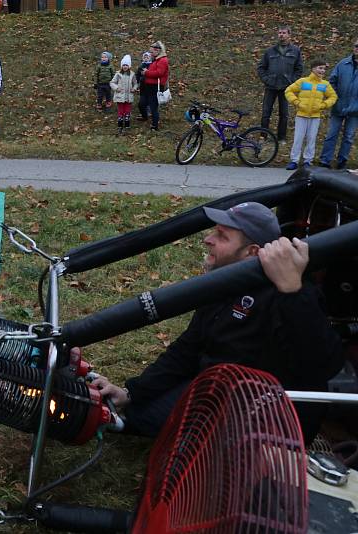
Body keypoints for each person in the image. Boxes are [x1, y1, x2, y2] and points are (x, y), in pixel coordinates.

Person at [90, 202, 343, 444]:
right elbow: (188, 348)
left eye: (222, 236)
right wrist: (131, 393)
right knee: (134, 410)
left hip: (257, 415)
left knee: (138, 421)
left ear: (252, 252)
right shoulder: (223, 284)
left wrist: (293, 291)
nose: (208, 239)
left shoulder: (290, 295)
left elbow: (323, 364)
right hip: (211, 388)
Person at [284, 59, 337, 170]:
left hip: (315, 117)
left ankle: (308, 161)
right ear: (313, 69)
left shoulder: (325, 84)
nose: (322, 71)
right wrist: (297, 102)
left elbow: (333, 97)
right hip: (301, 116)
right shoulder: (303, 81)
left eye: (323, 69)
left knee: (311, 139)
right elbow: (288, 91)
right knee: (298, 138)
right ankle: (294, 161)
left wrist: (323, 105)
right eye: (320, 68)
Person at [257, 25, 304, 143]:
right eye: (279, 33)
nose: (281, 35)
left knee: (284, 114)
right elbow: (261, 67)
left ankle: (281, 138)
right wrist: (266, 79)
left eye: (284, 33)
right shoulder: (270, 51)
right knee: (266, 113)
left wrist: (292, 82)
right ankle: (263, 136)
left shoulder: (295, 51)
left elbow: (299, 69)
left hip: (286, 87)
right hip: (270, 86)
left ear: (289, 35)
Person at [318, 39, 358, 170]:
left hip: (355, 110)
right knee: (331, 134)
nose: (357, 48)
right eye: (356, 46)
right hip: (338, 106)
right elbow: (332, 81)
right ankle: (325, 161)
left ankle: (342, 162)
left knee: (348, 137)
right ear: (353, 48)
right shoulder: (342, 64)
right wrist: (334, 96)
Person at [139, 41, 169, 131]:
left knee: (153, 107)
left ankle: (154, 125)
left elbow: (159, 73)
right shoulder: (155, 59)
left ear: (157, 51)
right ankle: (144, 116)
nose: (150, 54)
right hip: (147, 86)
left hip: (155, 87)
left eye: (152, 52)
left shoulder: (163, 60)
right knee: (141, 104)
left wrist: (146, 72)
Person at [110, 54, 136, 134]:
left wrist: (134, 88)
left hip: (128, 96)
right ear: (121, 66)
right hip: (120, 95)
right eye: (123, 65)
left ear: (129, 66)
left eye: (126, 65)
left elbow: (135, 83)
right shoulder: (118, 74)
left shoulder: (132, 74)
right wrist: (116, 88)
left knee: (127, 110)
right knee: (121, 110)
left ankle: (127, 123)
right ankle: (120, 123)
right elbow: (112, 82)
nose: (125, 67)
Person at [135, 51, 152, 124]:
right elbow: (138, 75)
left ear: (150, 58)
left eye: (147, 57)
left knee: (150, 100)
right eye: (144, 57)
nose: (146, 58)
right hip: (142, 86)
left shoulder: (152, 65)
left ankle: (149, 111)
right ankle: (143, 112)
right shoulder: (141, 66)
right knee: (142, 100)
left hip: (150, 86)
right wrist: (137, 82)